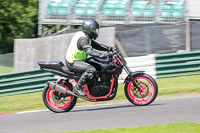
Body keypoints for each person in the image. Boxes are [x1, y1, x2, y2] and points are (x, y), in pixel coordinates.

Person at [65, 19, 114, 97]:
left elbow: (97, 45)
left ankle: (95, 84)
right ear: (89, 28)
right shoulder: (83, 39)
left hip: (80, 60)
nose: (95, 31)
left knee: (99, 65)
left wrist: (109, 49)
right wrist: (102, 55)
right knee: (91, 69)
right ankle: (77, 88)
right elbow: (89, 51)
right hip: (73, 62)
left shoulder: (87, 37)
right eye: (94, 30)